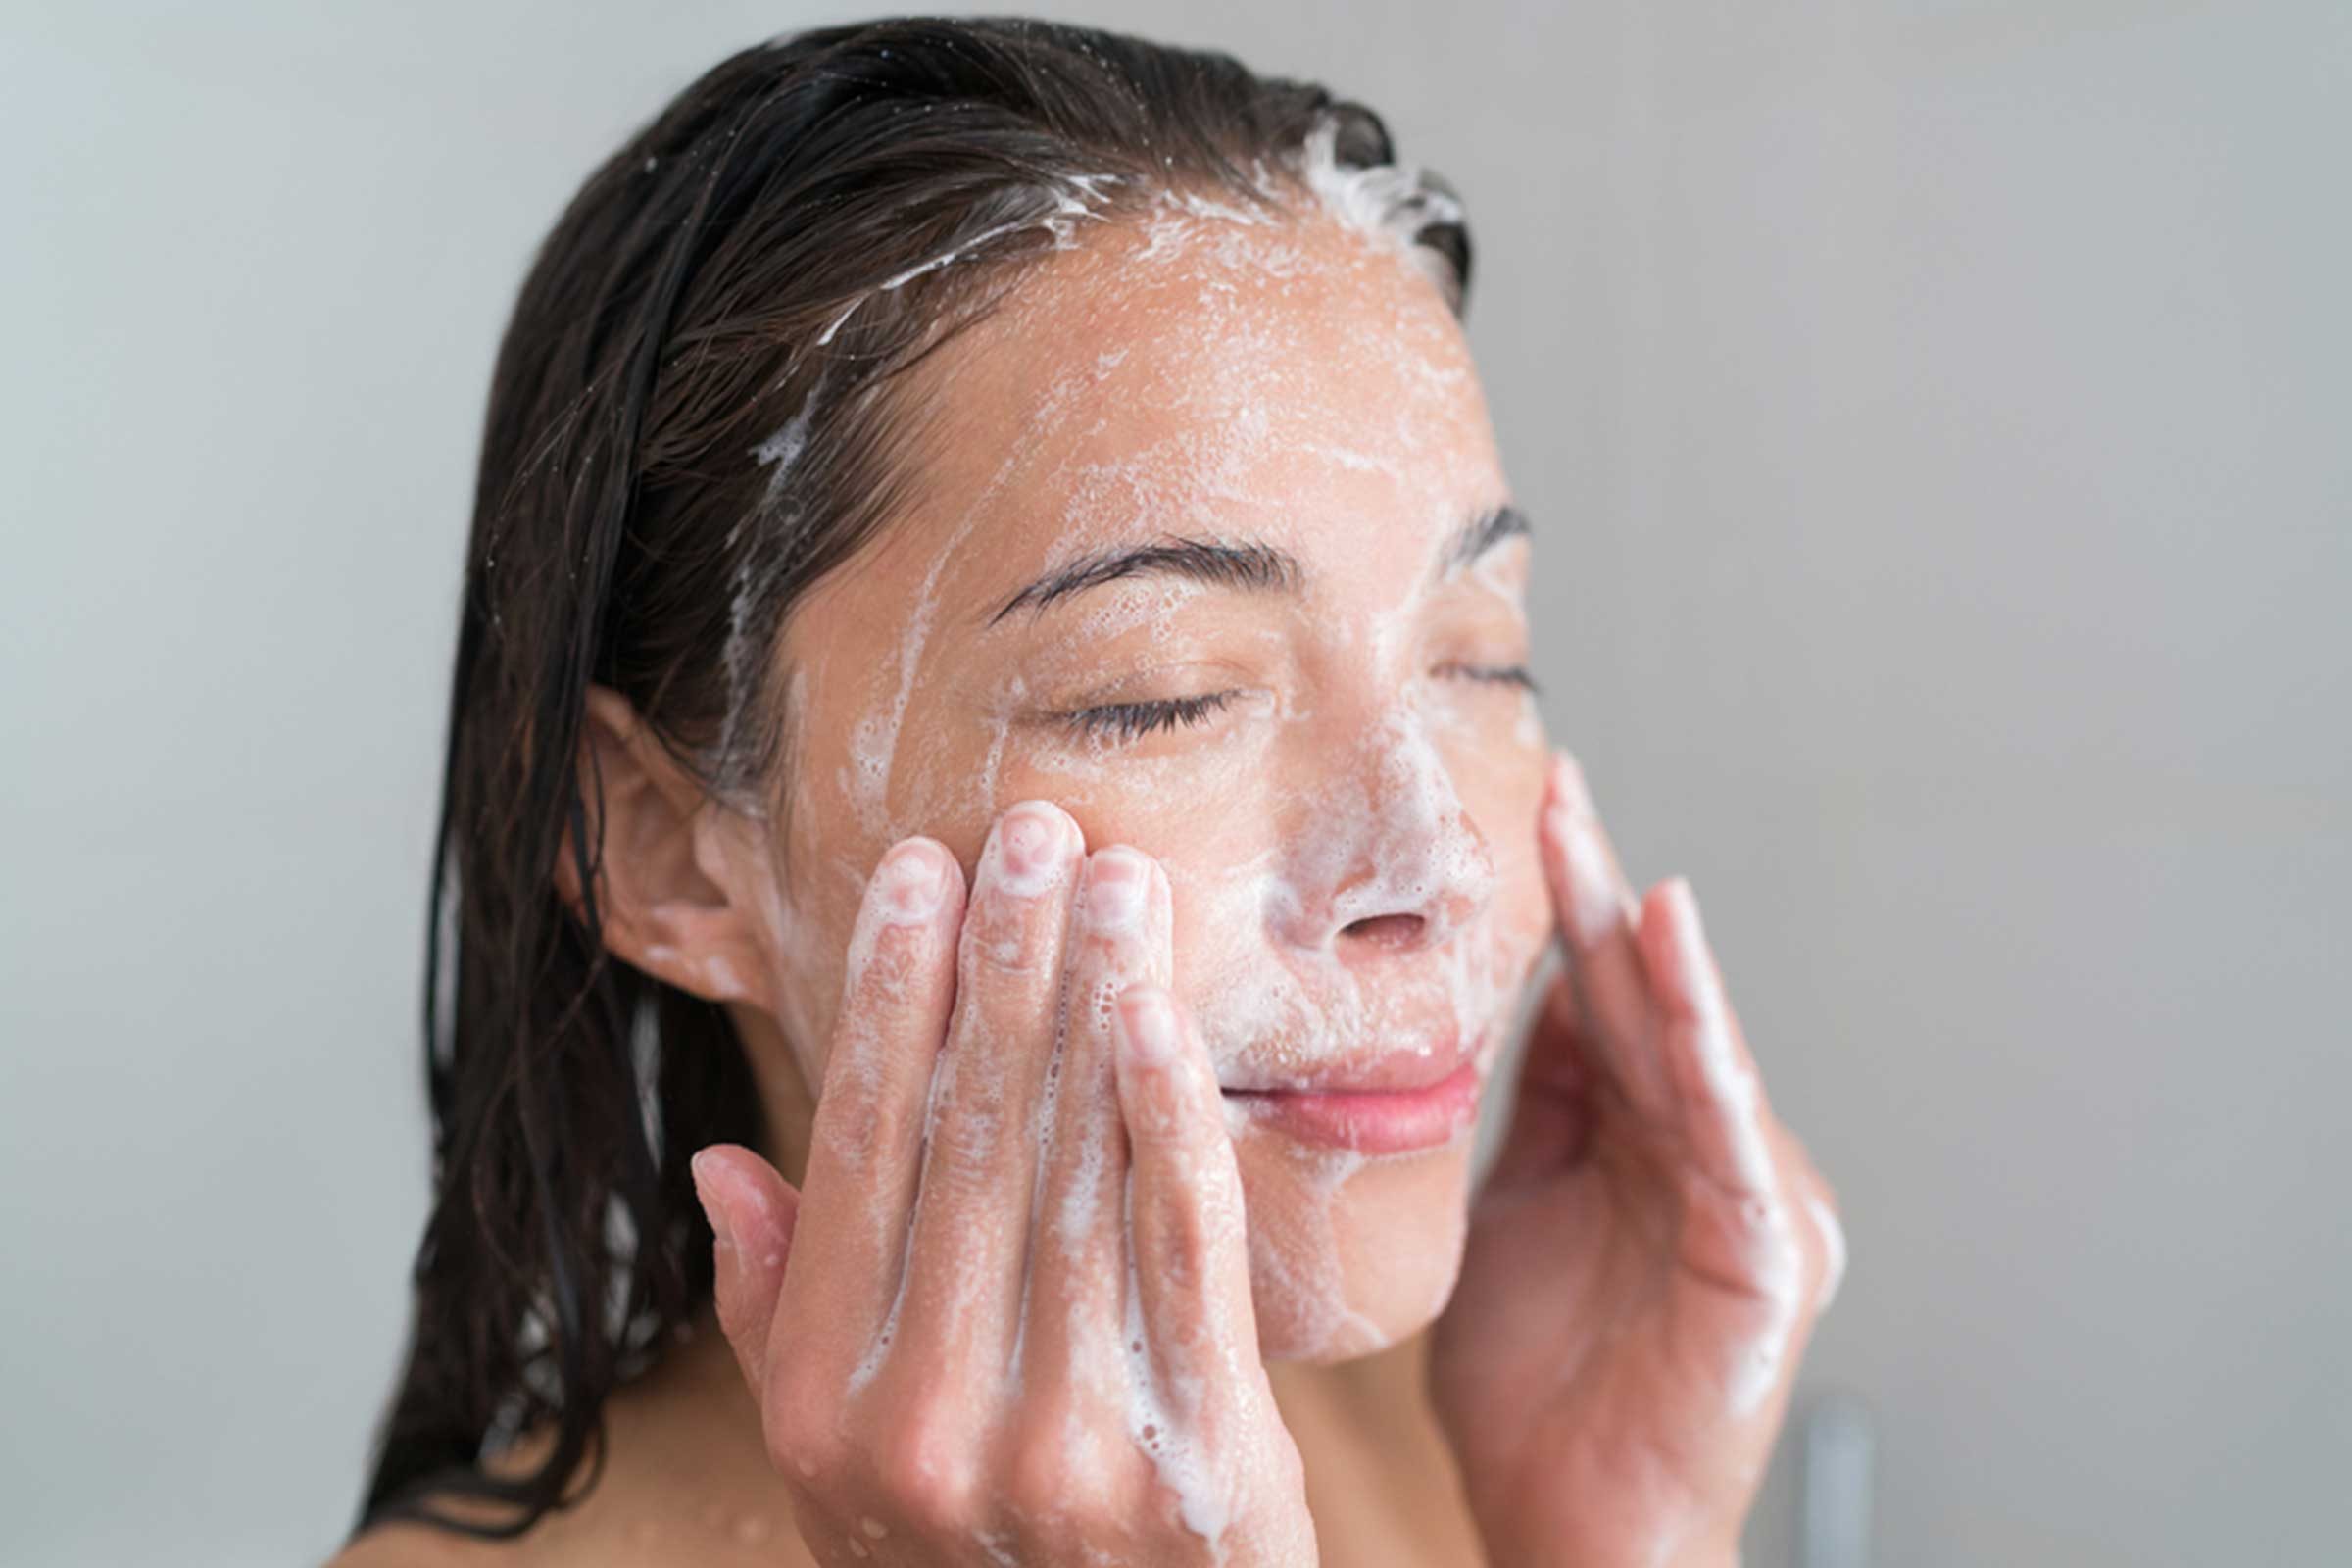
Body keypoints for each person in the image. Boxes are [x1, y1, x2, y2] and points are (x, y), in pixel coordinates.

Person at [332, 16, 1844, 1565]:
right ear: (663, 848)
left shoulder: (1436, 1427)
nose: (1439, 866)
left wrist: (1623, 1548)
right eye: (1165, 692)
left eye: (1479, 660)